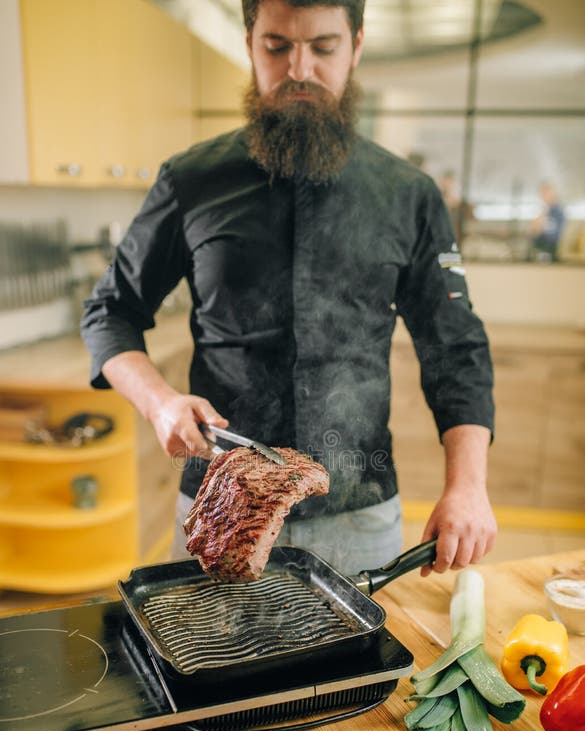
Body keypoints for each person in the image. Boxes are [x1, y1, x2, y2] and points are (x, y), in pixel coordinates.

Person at [81, 0, 497, 578]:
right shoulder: (191, 180)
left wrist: (468, 485)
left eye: (323, 47)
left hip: (359, 508)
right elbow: (109, 311)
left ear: (356, 45)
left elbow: (455, 347)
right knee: (216, 667)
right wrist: (160, 402)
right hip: (220, 503)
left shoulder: (409, 194)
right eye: (277, 46)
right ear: (250, 42)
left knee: (354, 672)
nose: (300, 69)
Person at [529, 180, 565, 262]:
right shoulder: (543, 210)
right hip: (540, 249)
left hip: (549, 250)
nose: (542, 196)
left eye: (544, 193)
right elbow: (535, 230)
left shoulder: (557, 211)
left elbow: (551, 233)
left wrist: (538, 224)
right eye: (541, 193)